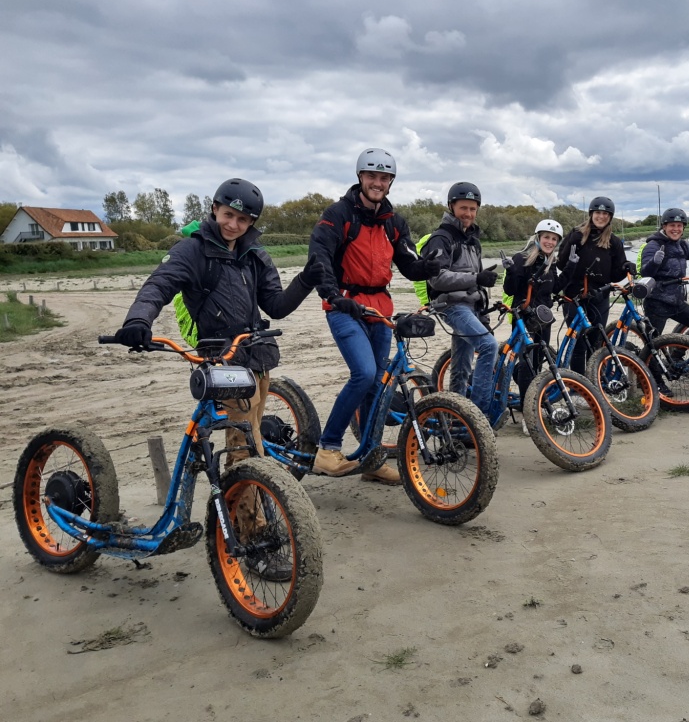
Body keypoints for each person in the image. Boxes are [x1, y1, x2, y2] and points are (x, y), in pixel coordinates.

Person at [114, 179, 324, 579]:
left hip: (258, 360)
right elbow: (159, 285)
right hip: (222, 363)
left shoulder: (255, 254)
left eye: (243, 219)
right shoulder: (192, 250)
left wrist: (307, 279)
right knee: (244, 450)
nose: (234, 225)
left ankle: (238, 516)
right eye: (228, 215)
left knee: (253, 446)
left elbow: (276, 306)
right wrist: (138, 320)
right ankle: (251, 540)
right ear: (214, 210)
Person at [307, 148, 441, 483]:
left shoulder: (393, 222)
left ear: (390, 182)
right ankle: (328, 448)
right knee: (364, 374)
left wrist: (429, 266)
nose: (377, 183)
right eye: (372, 176)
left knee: (378, 385)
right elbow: (319, 256)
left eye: (384, 178)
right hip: (345, 305)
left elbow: (409, 263)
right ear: (360, 178)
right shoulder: (338, 215)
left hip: (380, 309)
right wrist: (333, 295)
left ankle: (370, 458)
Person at [422, 182, 498, 417]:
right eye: (463, 208)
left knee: (461, 365)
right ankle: (477, 416)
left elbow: (471, 279)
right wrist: (476, 277)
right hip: (451, 305)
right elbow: (437, 279)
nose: (468, 214)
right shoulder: (441, 238)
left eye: (473, 209)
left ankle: (457, 417)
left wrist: (481, 298)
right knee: (488, 346)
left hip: (471, 305)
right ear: (451, 206)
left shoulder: (472, 241)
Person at [555, 196, 634, 373]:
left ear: (610, 217)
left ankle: (594, 382)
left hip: (599, 295)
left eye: (605, 214)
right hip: (575, 294)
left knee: (596, 340)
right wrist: (571, 251)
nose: (601, 217)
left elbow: (614, 274)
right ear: (591, 214)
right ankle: (578, 386)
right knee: (578, 342)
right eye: (598, 213)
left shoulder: (613, 241)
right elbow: (561, 263)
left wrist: (625, 268)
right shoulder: (576, 235)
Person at [502, 218, 567, 404]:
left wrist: (571, 267)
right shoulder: (521, 258)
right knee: (526, 363)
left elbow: (556, 288)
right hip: (524, 318)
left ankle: (535, 402)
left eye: (554, 239)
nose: (550, 242)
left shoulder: (550, 262)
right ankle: (526, 407)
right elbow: (510, 290)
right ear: (538, 237)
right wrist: (511, 272)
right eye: (547, 237)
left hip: (543, 318)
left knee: (537, 362)